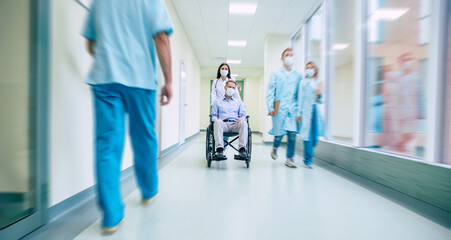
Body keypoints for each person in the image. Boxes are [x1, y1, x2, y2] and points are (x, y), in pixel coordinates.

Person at [82, 0, 173, 234]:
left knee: (107, 146)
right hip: (140, 79)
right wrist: (169, 80)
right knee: (144, 138)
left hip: (105, 78)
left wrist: (111, 56)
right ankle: (149, 190)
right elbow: (161, 38)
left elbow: (91, 44)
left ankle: (111, 216)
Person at [266, 48, 302, 168]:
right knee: (279, 134)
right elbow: (270, 91)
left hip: (293, 109)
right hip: (279, 108)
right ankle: (275, 147)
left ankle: (290, 158)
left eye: (291, 55)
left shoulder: (298, 75)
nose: (289, 57)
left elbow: (300, 94)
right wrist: (271, 107)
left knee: (292, 134)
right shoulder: (275, 74)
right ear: (282, 58)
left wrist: (300, 111)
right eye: (287, 55)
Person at [297, 61, 325, 169]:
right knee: (307, 137)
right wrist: (299, 113)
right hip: (305, 111)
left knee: (315, 138)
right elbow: (301, 99)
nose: (309, 69)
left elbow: (321, 100)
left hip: (315, 111)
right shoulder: (303, 83)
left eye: (311, 67)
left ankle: (309, 155)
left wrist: (319, 93)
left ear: (315, 69)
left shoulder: (319, 83)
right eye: (307, 68)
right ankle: (307, 160)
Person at [211, 81, 248, 159]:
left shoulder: (239, 102)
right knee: (217, 122)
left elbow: (243, 115)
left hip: (235, 124)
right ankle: (220, 150)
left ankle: (242, 150)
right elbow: (213, 116)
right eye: (229, 87)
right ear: (225, 88)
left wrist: (241, 119)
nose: (231, 89)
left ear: (235, 90)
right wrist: (217, 119)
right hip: (223, 124)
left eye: (233, 88)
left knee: (244, 123)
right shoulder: (217, 101)